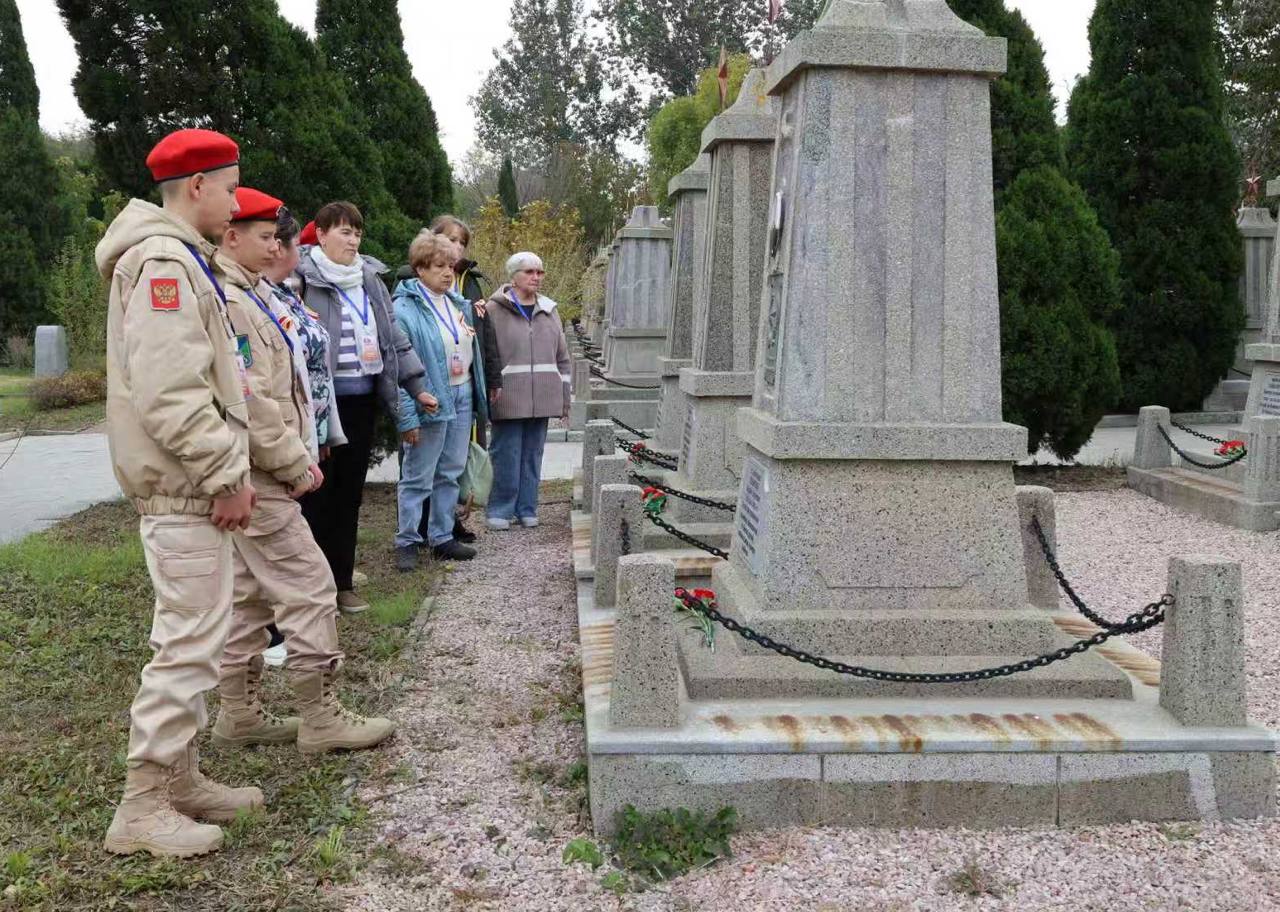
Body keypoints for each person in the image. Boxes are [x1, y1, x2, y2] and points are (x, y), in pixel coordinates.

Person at [97, 128, 260, 859]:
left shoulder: (180, 258)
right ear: (195, 185)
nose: (235, 204)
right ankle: (142, 807)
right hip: (187, 491)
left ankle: (181, 780)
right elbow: (171, 393)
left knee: (197, 637)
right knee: (188, 645)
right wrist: (226, 472)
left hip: (192, 490)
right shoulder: (164, 261)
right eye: (229, 189)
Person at [209, 187, 395, 755]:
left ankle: (238, 714)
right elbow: (249, 397)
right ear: (229, 236)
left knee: (250, 597)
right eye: (265, 237)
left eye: (275, 237)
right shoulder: (230, 301)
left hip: (264, 467)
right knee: (312, 586)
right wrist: (294, 459)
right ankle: (320, 716)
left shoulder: (256, 292)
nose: (276, 248)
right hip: (260, 470)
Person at [295, 201, 436, 613]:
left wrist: (416, 384)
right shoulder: (303, 278)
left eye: (357, 232)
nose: (353, 240)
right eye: (343, 232)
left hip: (361, 400)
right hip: (323, 403)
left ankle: (342, 582)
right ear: (320, 234)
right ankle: (312, 587)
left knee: (349, 496)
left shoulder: (369, 278)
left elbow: (392, 336)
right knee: (317, 494)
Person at [392, 232, 489, 570]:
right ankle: (407, 541)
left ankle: (441, 536)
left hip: (461, 394)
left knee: (449, 471)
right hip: (429, 398)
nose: (448, 273)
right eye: (439, 266)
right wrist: (408, 417)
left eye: (451, 265)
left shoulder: (456, 302)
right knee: (418, 475)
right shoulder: (403, 309)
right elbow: (399, 368)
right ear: (419, 269)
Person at [484, 252, 571, 530]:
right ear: (513, 276)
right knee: (505, 453)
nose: (536, 277)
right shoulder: (493, 309)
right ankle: (500, 509)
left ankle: (527, 507)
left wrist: (564, 398)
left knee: (533, 454)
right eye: (529, 271)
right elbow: (488, 354)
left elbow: (563, 357)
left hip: (543, 396)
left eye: (540, 272)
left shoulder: (550, 310)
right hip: (508, 395)